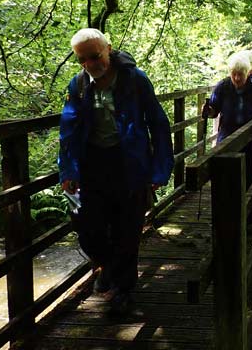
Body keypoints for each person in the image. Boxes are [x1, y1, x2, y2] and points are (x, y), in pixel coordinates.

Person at [58, 28, 174, 315]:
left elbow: (158, 124)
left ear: (108, 49)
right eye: (82, 60)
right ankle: (107, 267)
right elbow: (69, 130)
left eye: (95, 56)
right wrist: (68, 170)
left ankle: (123, 290)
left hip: (130, 165)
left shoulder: (135, 80)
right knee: (88, 228)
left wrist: (159, 171)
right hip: (93, 165)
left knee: (128, 229)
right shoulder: (79, 85)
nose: (90, 64)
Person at [203, 50, 252, 186]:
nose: (237, 78)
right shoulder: (223, 87)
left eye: (240, 74)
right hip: (227, 134)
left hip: (251, 136)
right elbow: (213, 111)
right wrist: (207, 111)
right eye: (234, 74)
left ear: (248, 73)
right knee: (224, 172)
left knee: (248, 174)